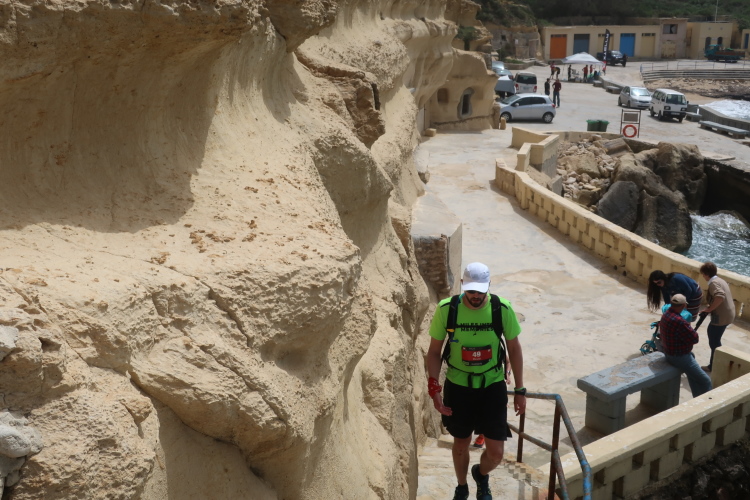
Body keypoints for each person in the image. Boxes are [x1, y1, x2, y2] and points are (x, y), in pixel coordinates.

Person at [426, 262, 525, 500]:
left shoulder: (502, 308)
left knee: (496, 453)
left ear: (488, 286)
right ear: (462, 285)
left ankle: (480, 474)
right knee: (461, 444)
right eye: (470, 291)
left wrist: (520, 390)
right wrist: (434, 388)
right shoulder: (447, 309)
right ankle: (462, 487)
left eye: (480, 291)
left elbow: (514, 348)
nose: (476, 296)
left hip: (492, 386)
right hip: (458, 387)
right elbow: (434, 352)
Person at [659, 294, 712, 397]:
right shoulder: (680, 322)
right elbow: (695, 338)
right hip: (679, 357)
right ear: (684, 305)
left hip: (669, 353)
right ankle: (709, 404)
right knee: (706, 381)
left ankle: (697, 398)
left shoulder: (665, 314)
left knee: (693, 376)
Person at [699, 262, 736, 372]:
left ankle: (713, 366)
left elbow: (720, 296)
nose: (703, 276)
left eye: (703, 274)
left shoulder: (713, 283)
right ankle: (717, 362)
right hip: (728, 314)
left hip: (721, 317)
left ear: (706, 274)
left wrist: (709, 309)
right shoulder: (720, 280)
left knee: (714, 341)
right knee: (715, 338)